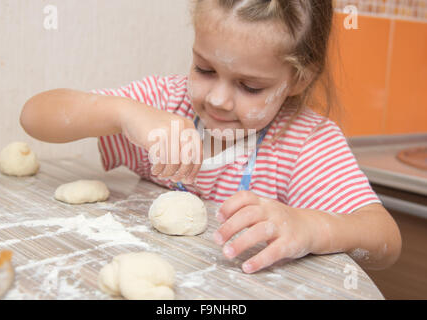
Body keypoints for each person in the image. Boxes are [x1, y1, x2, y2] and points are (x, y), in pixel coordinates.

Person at [20, 0, 401, 274]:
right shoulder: (167, 105)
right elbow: (35, 115)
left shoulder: (303, 143)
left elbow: (385, 240)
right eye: (204, 69)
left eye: (249, 86)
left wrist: (312, 226)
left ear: (297, 80)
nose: (217, 98)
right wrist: (125, 113)